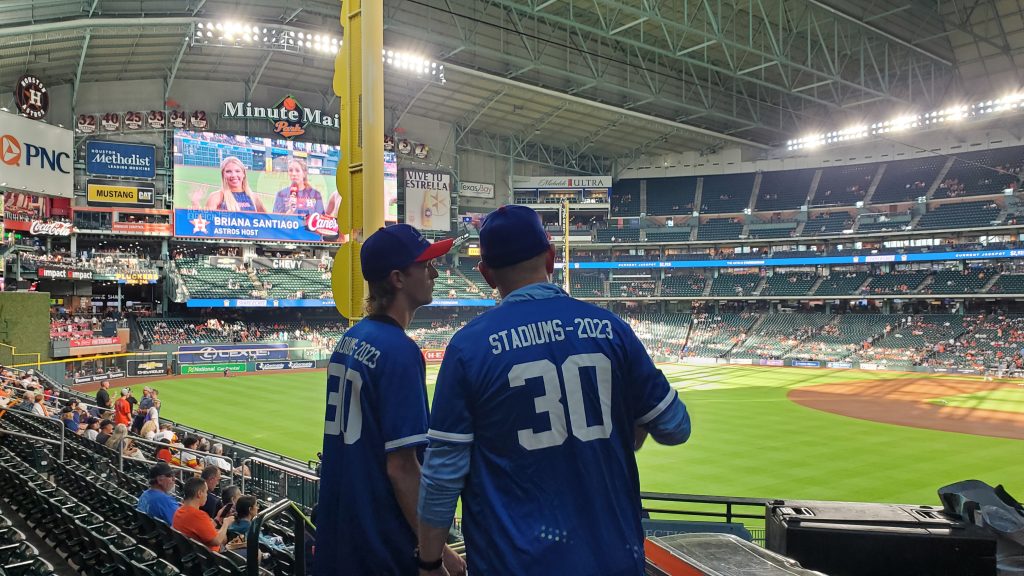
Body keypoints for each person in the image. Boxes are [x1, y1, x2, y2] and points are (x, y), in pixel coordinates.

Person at [416, 205, 691, 575]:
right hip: (615, 561)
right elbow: (676, 427)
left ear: (486, 275)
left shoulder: (468, 348)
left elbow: (442, 475)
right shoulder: (612, 330)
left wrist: (430, 561)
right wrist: (630, 427)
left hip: (515, 564)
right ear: (551, 257)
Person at [314, 224, 465, 576]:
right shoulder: (399, 351)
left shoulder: (350, 339)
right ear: (398, 278)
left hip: (345, 538)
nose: (435, 271)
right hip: (381, 545)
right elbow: (402, 468)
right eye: (425, 264)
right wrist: (435, 555)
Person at [173, 477, 235, 552]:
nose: (207, 495)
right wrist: (226, 523)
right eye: (206, 492)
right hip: (212, 558)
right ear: (199, 493)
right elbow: (217, 541)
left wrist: (217, 518)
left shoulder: (179, 511)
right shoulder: (198, 515)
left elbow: (202, 529)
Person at [201, 156, 267, 213]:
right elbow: (205, 223)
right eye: (228, 171)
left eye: (237, 171)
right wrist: (195, 202)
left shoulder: (254, 197)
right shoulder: (216, 197)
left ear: (243, 174)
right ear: (223, 175)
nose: (233, 175)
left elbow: (269, 222)